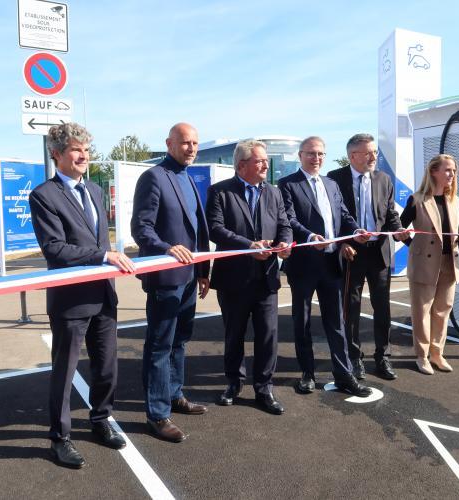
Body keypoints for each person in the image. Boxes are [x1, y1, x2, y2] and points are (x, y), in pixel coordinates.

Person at [29, 122, 136, 469]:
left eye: (87, 149)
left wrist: (105, 256)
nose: (84, 155)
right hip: (71, 300)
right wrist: (103, 257)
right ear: (56, 154)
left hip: (104, 295)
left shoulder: (94, 189)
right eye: (76, 150)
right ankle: (60, 438)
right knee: (65, 372)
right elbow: (55, 249)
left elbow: (98, 238)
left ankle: (101, 419)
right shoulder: (43, 196)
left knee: (107, 366)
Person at [131, 122, 210, 442]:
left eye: (195, 143)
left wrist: (204, 271)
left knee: (180, 341)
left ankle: (175, 395)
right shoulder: (153, 177)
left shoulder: (188, 179)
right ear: (169, 143)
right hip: (166, 278)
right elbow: (142, 228)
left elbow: (197, 230)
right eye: (185, 143)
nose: (191, 148)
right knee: (160, 346)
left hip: (190, 277)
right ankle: (157, 414)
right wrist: (166, 248)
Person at [278, 136, 372, 397]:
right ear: (300, 155)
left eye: (320, 154)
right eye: (311, 154)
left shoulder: (331, 184)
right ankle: (307, 373)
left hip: (332, 264)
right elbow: (289, 219)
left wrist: (355, 231)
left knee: (336, 323)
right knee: (303, 321)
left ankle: (344, 375)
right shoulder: (288, 184)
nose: (316, 158)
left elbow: (343, 215)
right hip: (305, 265)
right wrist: (309, 238)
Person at [206, 140, 293, 414]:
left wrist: (286, 243)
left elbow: (284, 224)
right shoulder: (220, 192)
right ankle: (233, 383)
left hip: (266, 277)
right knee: (234, 335)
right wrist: (248, 246)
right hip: (234, 279)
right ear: (242, 165)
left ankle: (264, 388)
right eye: (260, 161)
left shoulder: (274, 193)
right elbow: (215, 230)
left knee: (268, 335)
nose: (267, 165)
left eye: (266, 160)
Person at [327, 133, 408, 381]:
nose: (374, 157)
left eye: (375, 152)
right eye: (368, 152)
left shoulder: (384, 179)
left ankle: (383, 357)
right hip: (352, 253)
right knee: (350, 308)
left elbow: (390, 215)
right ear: (352, 156)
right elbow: (332, 217)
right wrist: (343, 244)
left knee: (382, 308)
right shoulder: (334, 179)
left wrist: (400, 232)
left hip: (379, 252)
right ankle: (354, 358)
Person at [399, 154, 459, 375]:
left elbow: (451, 234)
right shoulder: (417, 199)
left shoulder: (454, 200)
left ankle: (437, 354)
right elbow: (397, 229)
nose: (452, 174)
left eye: (454, 171)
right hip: (425, 263)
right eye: (448, 170)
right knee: (422, 312)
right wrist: (412, 244)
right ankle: (422, 356)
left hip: (449, 262)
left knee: (442, 311)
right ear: (433, 171)